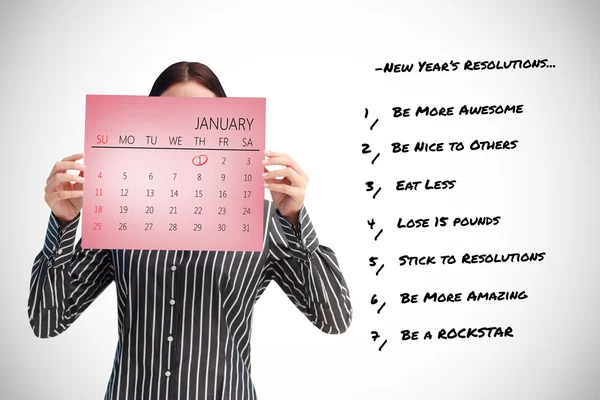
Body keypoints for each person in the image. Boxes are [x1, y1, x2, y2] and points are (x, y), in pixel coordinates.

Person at [27, 61, 353, 400]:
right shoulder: (121, 210)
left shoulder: (263, 219)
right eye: (171, 120)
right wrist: (63, 224)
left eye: (201, 120)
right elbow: (48, 320)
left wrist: (295, 219)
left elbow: (334, 317)